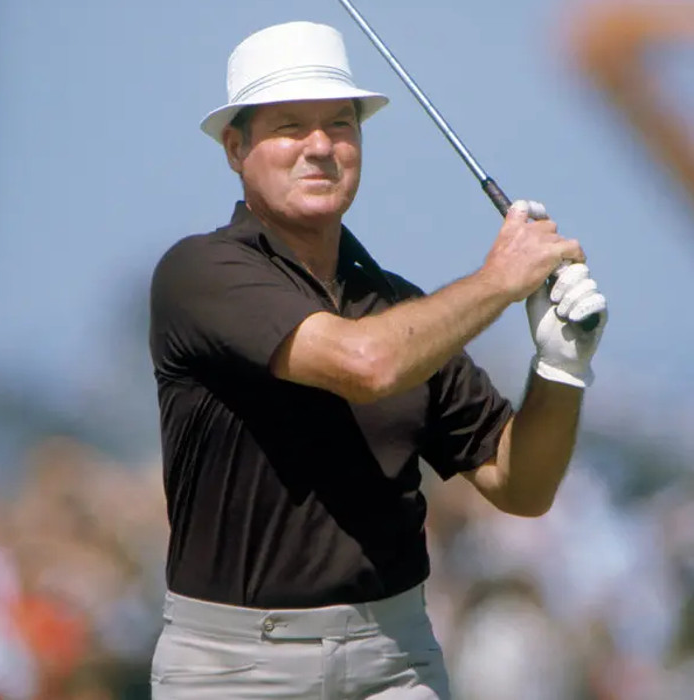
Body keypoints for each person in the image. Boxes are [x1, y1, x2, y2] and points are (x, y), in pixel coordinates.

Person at [148, 20, 607, 699]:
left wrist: (561, 369)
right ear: (235, 148)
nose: (320, 146)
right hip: (236, 667)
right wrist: (500, 280)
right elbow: (366, 365)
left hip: (396, 658)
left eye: (340, 124)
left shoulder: (401, 308)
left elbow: (521, 485)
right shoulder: (199, 273)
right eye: (289, 127)